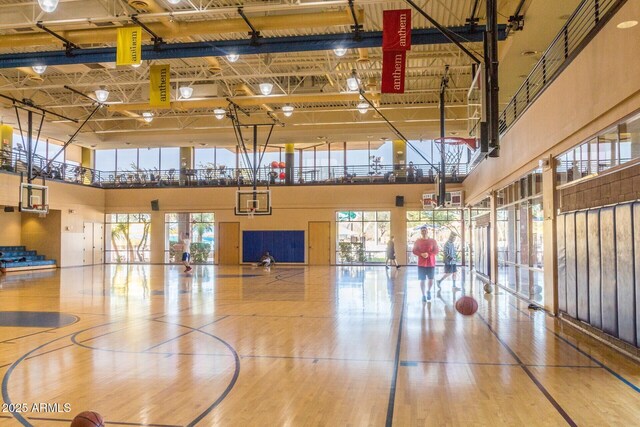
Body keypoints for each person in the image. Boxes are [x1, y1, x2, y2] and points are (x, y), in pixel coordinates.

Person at [412, 225, 439, 302]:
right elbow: (414, 251)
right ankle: (423, 295)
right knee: (422, 280)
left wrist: (428, 254)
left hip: (431, 263)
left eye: (425, 231)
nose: (424, 232)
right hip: (421, 264)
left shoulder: (433, 241)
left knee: (431, 279)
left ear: (427, 231)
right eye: (422, 231)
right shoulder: (417, 241)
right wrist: (421, 254)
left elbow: (436, 251)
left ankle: (428, 291)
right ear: (421, 232)